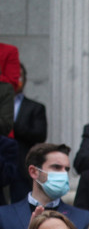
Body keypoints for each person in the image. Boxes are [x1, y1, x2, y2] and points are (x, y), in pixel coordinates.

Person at [11, 63, 48, 203]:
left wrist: (10, 125)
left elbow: (39, 135)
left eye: (18, 75)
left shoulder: (35, 107)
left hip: (22, 169)